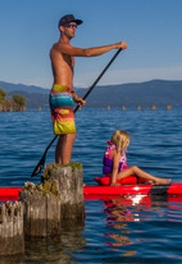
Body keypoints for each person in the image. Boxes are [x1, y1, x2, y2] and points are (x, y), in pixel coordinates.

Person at [49, 14, 127, 164]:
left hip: (65, 93)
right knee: (69, 134)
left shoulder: (68, 50)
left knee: (65, 134)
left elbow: (66, 77)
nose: (74, 29)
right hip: (60, 93)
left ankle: (60, 169)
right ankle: (64, 171)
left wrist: (75, 96)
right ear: (61, 28)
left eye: (75, 26)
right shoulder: (59, 46)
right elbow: (87, 53)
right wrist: (115, 45)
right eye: (71, 26)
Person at [102, 129, 170, 185]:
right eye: (127, 142)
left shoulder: (110, 149)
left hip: (110, 174)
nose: (127, 144)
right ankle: (156, 179)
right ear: (121, 142)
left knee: (138, 173)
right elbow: (115, 168)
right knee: (134, 168)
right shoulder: (117, 152)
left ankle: (149, 181)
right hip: (114, 175)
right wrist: (113, 182)